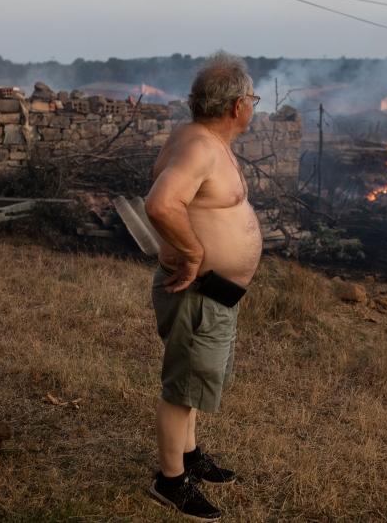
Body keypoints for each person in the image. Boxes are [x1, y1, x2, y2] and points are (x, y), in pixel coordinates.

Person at [143, 51, 263, 521]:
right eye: (252, 98)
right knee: (182, 389)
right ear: (237, 106)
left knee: (195, 383)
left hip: (214, 294)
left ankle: (189, 459)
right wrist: (193, 254)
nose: (253, 106)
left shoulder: (203, 139)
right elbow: (160, 204)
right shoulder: (198, 146)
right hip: (198, 291)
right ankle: (170, 482)